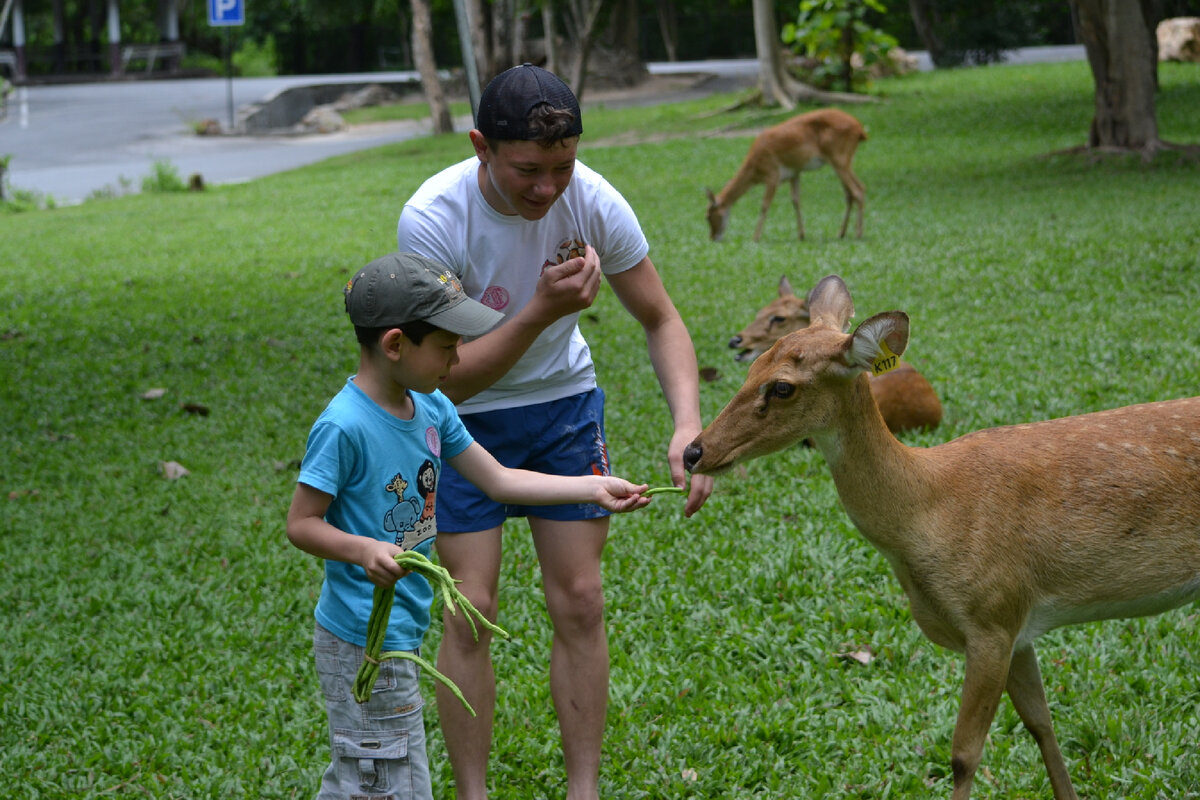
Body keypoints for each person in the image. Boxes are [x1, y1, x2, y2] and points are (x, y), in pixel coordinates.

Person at [395, 63, 715, 799]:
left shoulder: (593, 200)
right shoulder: (433, 219)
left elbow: (660, 318)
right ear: (480, 146)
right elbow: (445, 379)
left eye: (562, 167)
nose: (548, 190)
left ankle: (584, 790)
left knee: (580, 598)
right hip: (460, 421)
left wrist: (688, 424)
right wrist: (537, 311)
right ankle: (474, 793)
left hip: (563, 408)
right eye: (528, 170)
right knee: (471, 608)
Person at [285, 251, 652, 800]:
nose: (459, 359)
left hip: (401, 631)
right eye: (447, 345)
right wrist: (362, 550)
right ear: (394, 345)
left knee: (365, 777)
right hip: (363, 640)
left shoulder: (431, 407)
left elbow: (499, 480)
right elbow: (301, 524)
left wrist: (592, 487)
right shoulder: (344, 426)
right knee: (394, 781)